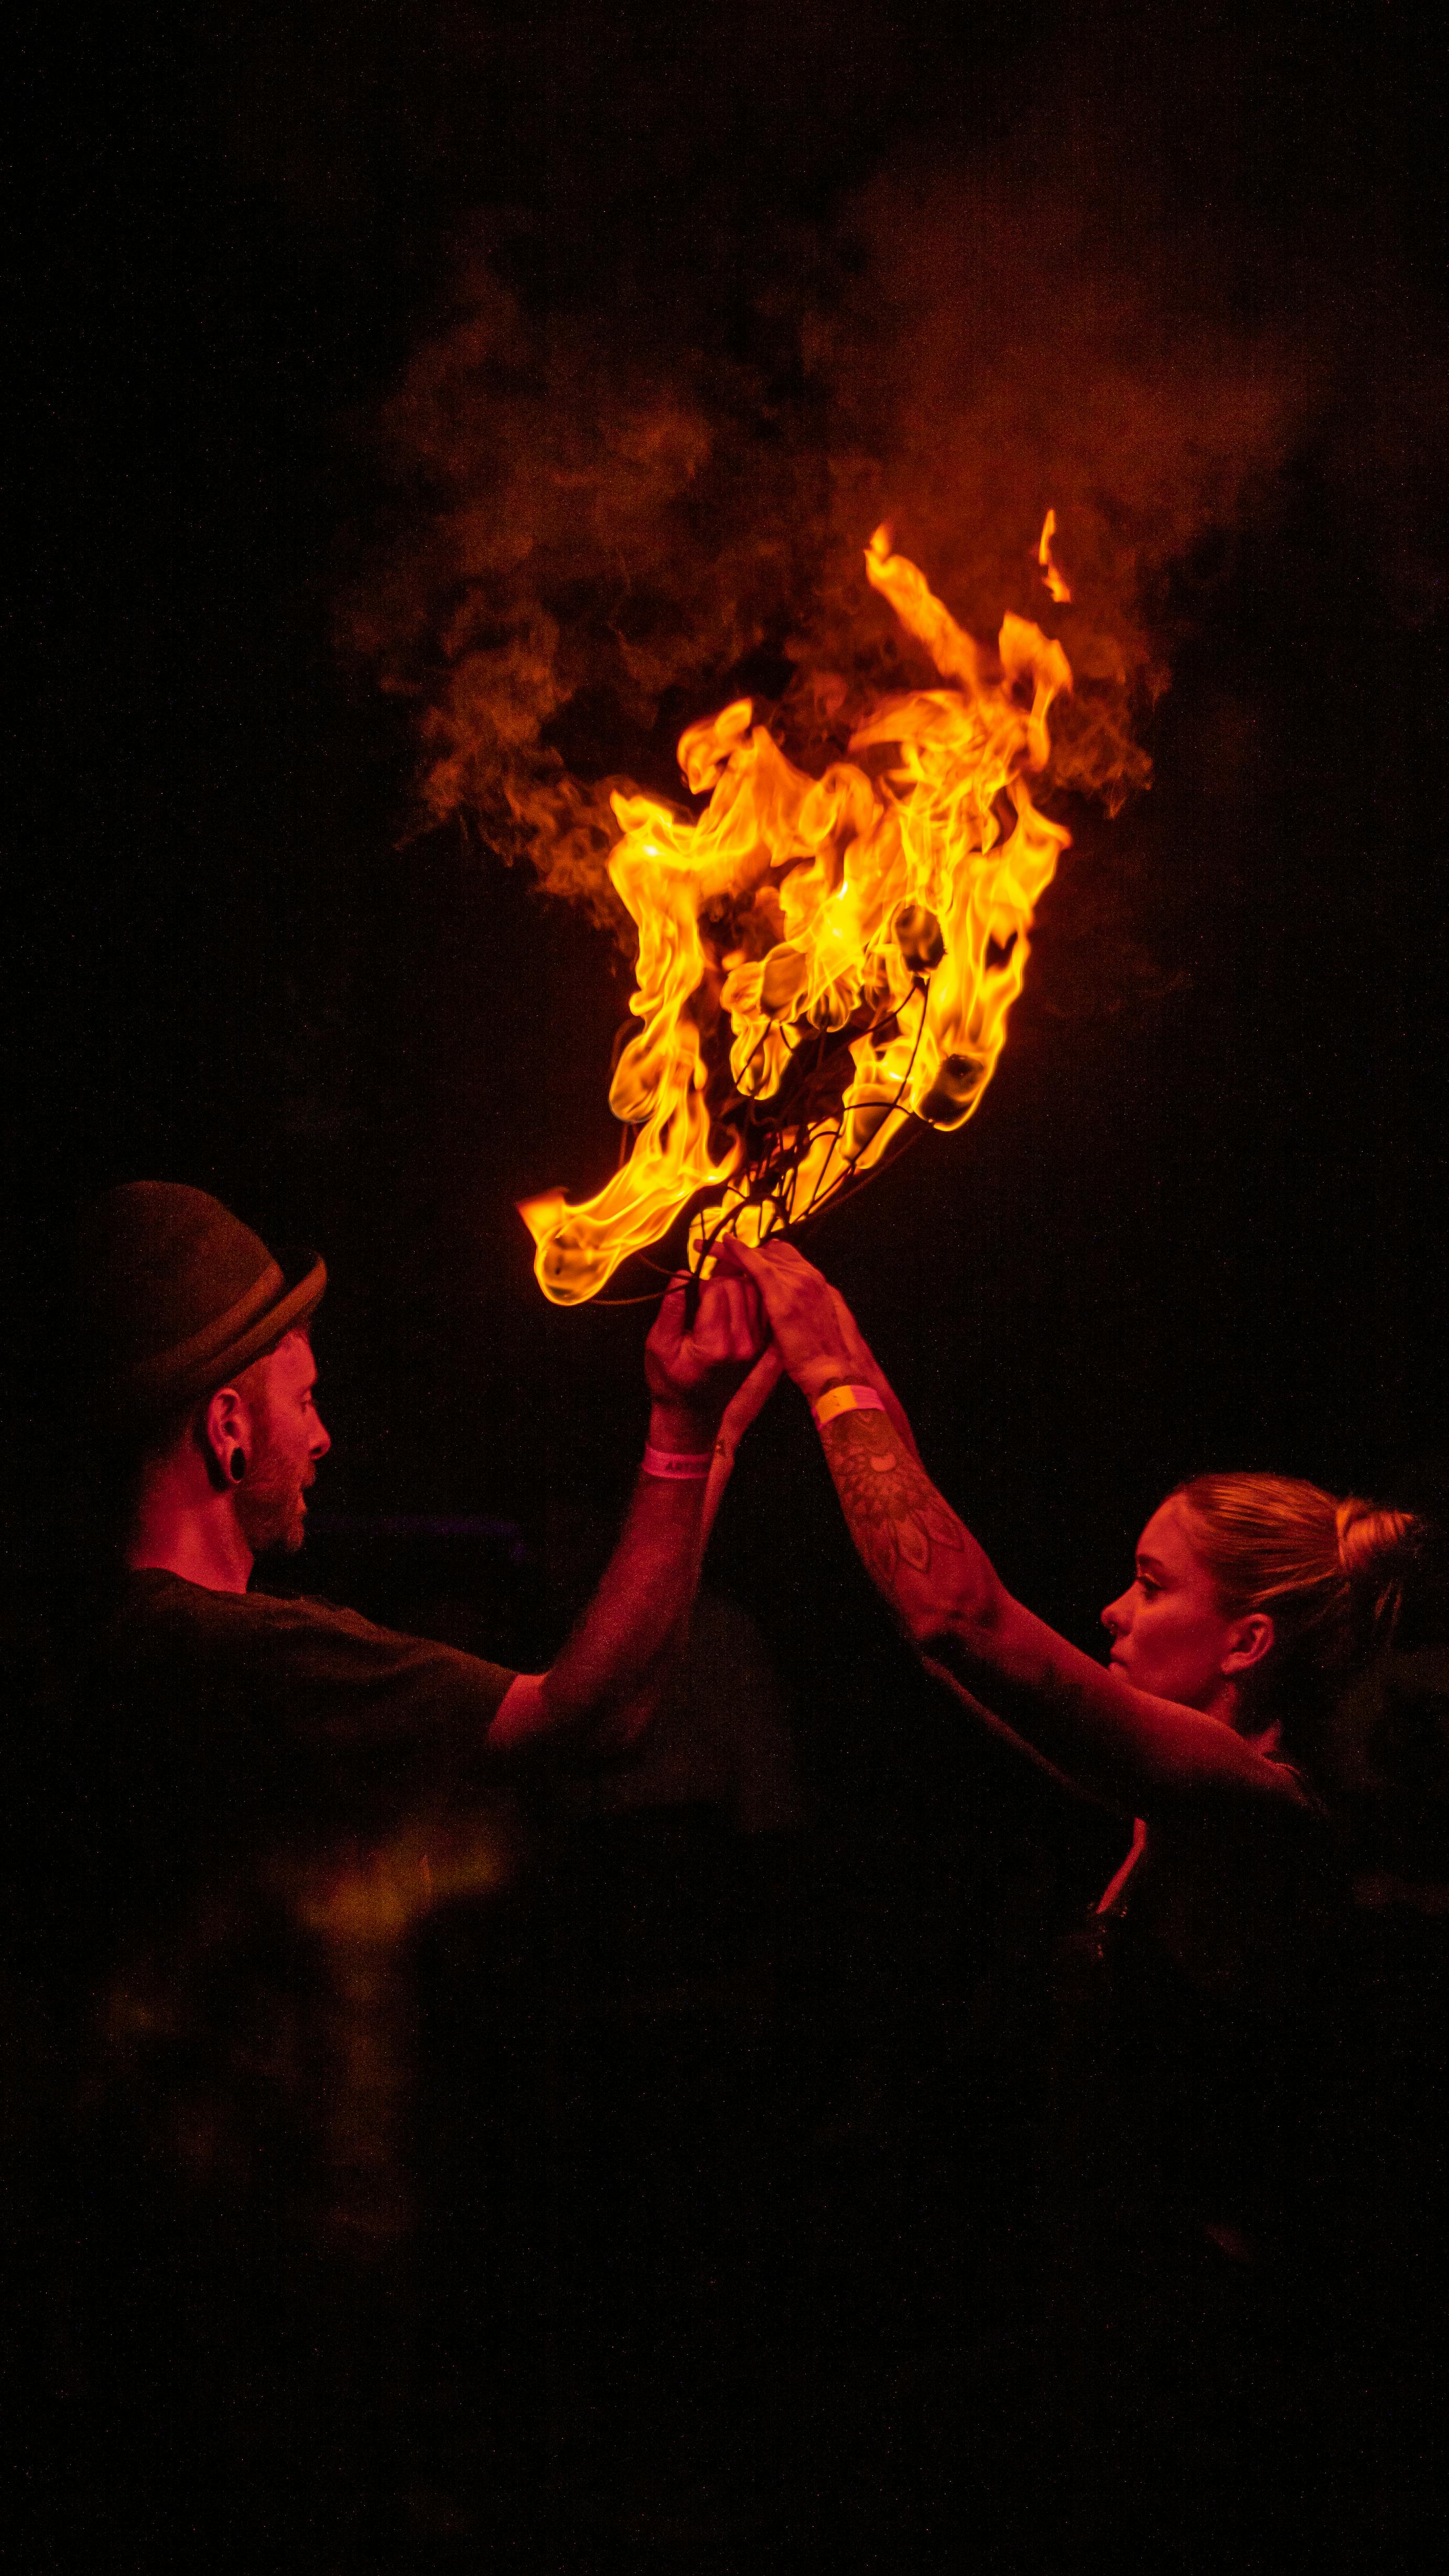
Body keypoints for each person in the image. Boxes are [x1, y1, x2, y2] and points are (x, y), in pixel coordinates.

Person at [30, 1181, 774, 2568]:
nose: (327, 1434)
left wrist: (709, 1448)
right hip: (242, 2342)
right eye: (304, 1398)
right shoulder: (217, 1656)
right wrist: (680, 1436)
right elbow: (589, 1717)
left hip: (185, 2315)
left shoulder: (111, 1649)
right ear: (227, 1423)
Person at [723, 1235, 1421, 2568]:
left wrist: (830, 1368)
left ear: (1247, 1643)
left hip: (1217, 2385)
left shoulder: (1252, 1813)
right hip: (1135, 2345)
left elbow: (962, 1624)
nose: (1109, 1610)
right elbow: (966, 1655)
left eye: (1150, 1587)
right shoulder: (1185, 1805)